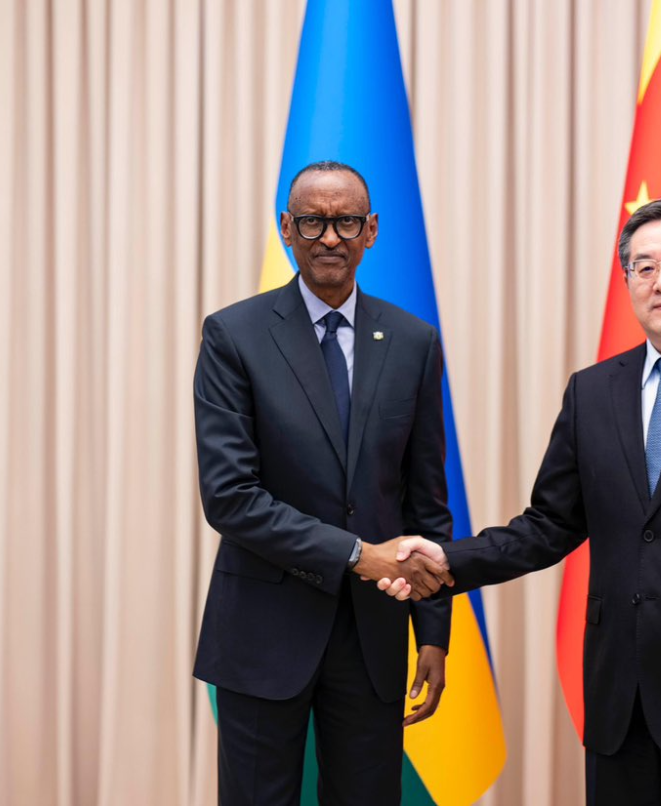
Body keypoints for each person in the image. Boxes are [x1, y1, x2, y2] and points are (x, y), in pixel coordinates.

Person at [379, 198, 661, 805]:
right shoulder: (592, 393)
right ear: (627, 284)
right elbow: (547, 525)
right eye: (644, 268)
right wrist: (445, 562)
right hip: (622, 701)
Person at [193, 161, 455, 805]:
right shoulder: (234, 335)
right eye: (312, 220)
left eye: (345, 222)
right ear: (287, 228)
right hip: (262, 630)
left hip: (373, 638)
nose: (329, 237)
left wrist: (436, 630)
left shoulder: (414, 342)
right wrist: (358, 556)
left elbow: (425, 499)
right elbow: (230, 497)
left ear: (371, 231)